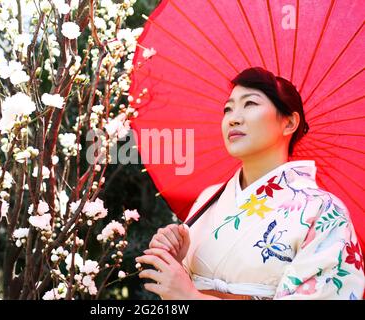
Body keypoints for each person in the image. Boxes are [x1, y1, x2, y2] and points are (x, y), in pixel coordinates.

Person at [135, 67, 365, 300]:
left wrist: (193, 297)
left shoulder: (323, 211)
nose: (233, 118)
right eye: (228, 108)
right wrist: (176, 261)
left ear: (289, 123)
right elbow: (180, 290)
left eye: (250, 104)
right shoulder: (209, 199)